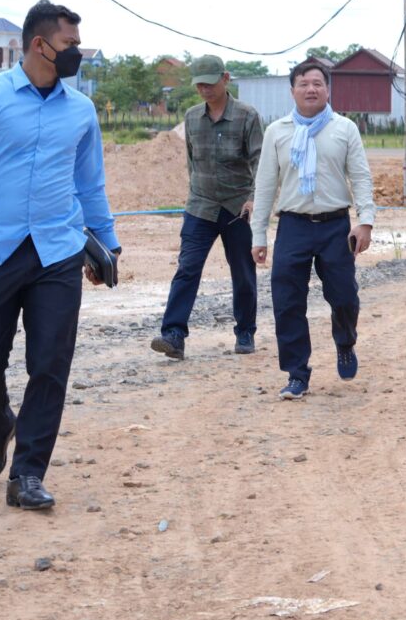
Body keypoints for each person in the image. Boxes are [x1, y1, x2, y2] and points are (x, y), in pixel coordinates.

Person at [0, 0, 119, 511]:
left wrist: (108, 245)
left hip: (57, 252)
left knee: (51, 363)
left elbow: (90, 183)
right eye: (69, 43)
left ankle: (28, 474)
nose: (76, 52)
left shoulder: (81, 111)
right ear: (39, 45)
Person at [251, 62, 376, 400]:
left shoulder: (344, 128)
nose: (311, 89)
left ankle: (345, 342)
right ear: (292, 90)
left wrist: (365, 221)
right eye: (303, 83)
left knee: (344, 296)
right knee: (287, 301)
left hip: (336, 226)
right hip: (293, 226)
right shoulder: (277, 131)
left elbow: (360, 177)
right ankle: (297, 373)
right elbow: (265, 185)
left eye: (317, 83)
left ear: (328, 89)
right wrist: (258, 235)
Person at [153, 54, 264, 359]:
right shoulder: (191, 118)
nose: (204, 90)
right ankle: (173, 335)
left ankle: (245, 332)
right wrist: (196, 193)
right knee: (187, 268)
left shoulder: (248, 116)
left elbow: (261, 162)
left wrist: (254, 198)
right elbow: (192, 162)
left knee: (243, 272)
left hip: (237, 208)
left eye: (210, 84)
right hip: (200, 206)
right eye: (199, 85)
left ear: (225, 79)